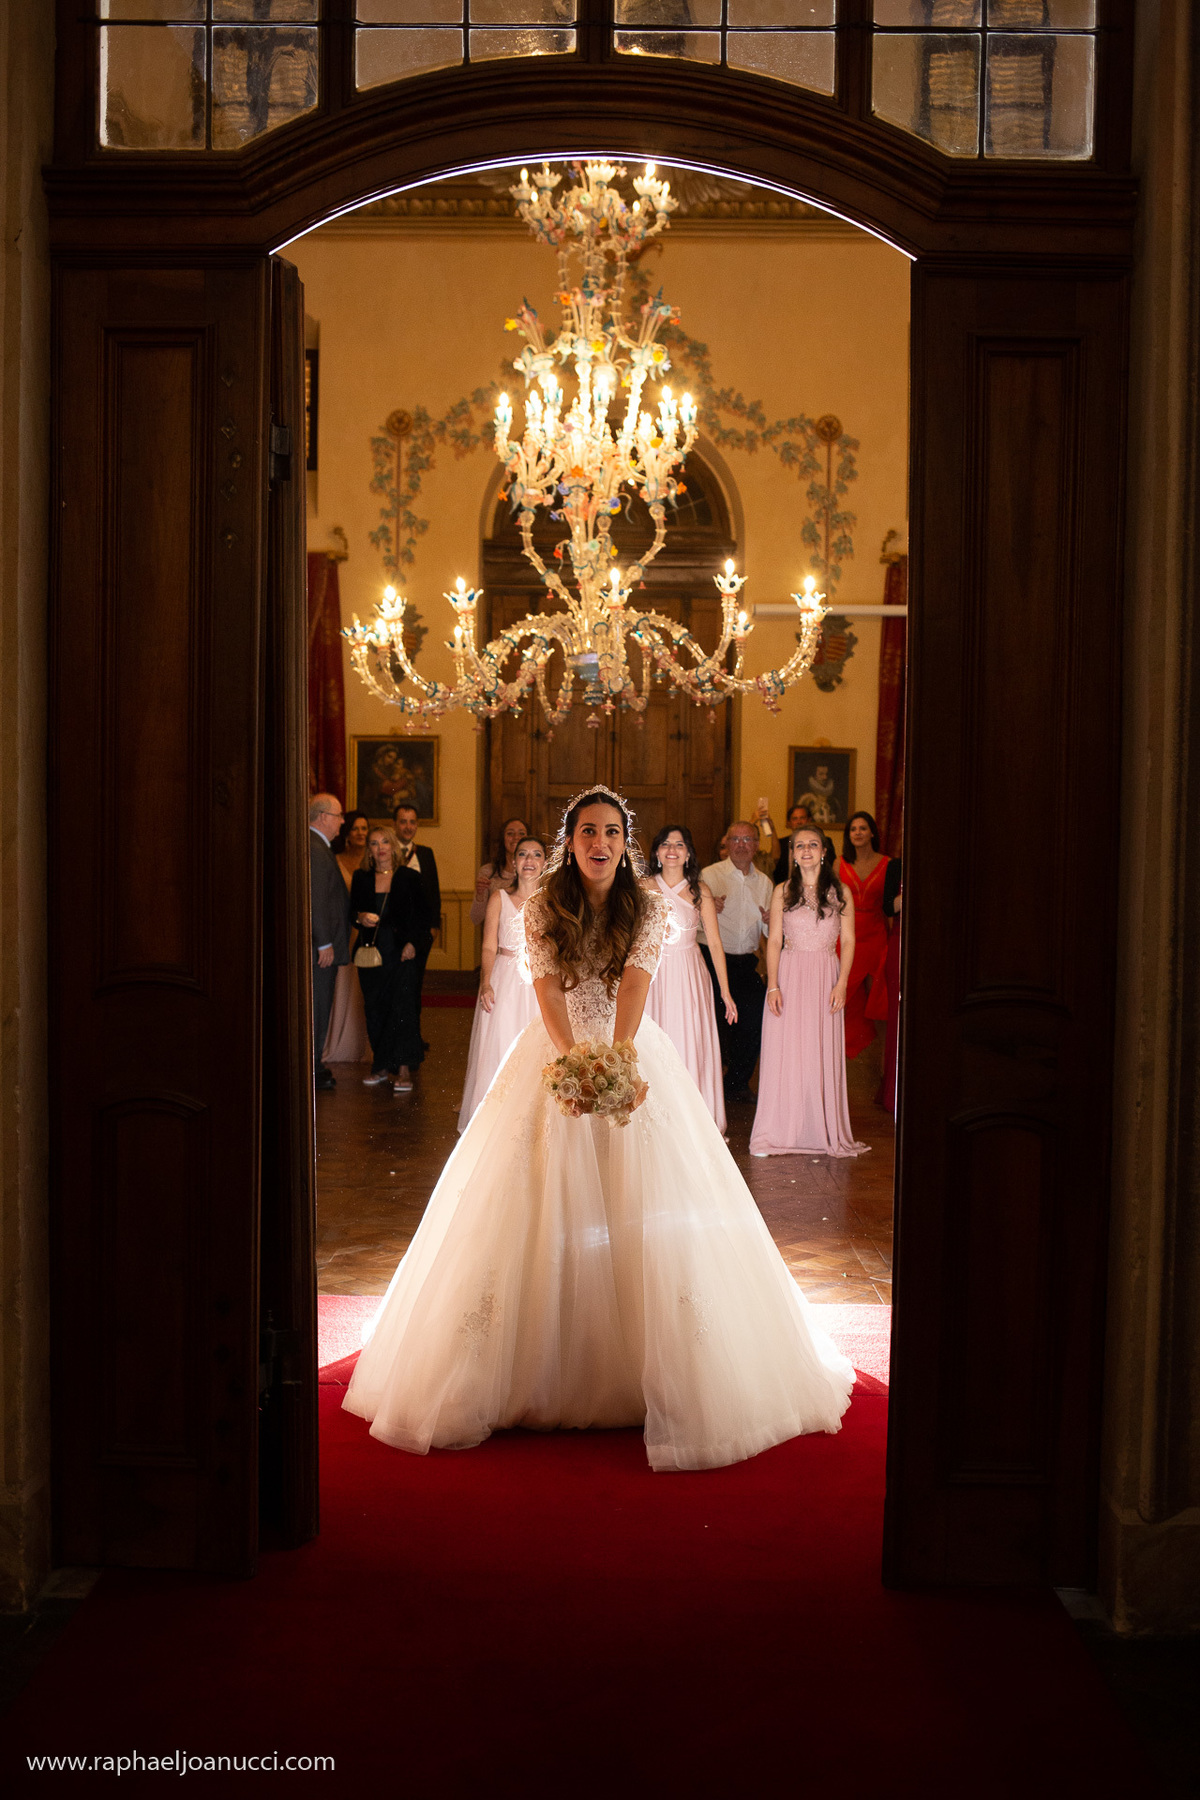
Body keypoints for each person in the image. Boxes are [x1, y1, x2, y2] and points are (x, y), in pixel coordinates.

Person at [343, 785, 854, 1472]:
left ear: (625, 840)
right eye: (588, 831)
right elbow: (547, 989)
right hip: (555, 1048)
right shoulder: (544, 905)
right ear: (570, 840)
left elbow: (636, 985)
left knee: (645, 1195)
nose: (600, 842)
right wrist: (573, 1063)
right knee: (534, 1194)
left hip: (627, 1043)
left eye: (612, 831)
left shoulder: (645, 907)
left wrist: (614, 1060)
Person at [751, 827, 869, 1159]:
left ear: (824, 851)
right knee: (787, 1050)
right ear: (792, 853)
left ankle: (818, 1129)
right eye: (799, 845)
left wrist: (842, 982)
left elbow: (849, 940)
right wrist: (773, 984)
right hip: (789, 975)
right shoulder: (782, 891)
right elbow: (774, 940)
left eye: (812, 844)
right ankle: (781, 1129)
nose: (806, 850)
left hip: (825, 975)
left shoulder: (840, 891)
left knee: (818, 1050)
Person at [643, 824, 736, 1133]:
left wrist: (725, 992)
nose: (672, 849)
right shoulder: (641, 887)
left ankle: (693, 1124)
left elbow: (716, 943)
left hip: (688, 973)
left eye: (679, 844)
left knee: (688, 1041)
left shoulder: (700, 891)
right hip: (652, 974)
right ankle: (655, 1123)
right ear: (657, 852)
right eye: (666, 844)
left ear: (688, 854)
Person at [457, 835, 546, 1130]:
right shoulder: (499, 898)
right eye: (523, 854)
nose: (529, 860)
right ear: (514, 862)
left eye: (536, 855)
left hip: (539, 981)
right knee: (503, 1043)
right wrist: (486, 983)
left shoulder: (553, 901)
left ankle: (533, 1120)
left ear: (545, 863)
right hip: (505, 979)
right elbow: (488, 946)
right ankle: (496, 1122)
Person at [351, 827, 431, 1094]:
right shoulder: (361, 877)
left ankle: (404, 1069)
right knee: (374, 1008)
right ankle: (381, 1065)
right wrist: (360, 917)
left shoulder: (409, 877)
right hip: (371, 952)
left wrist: (412, 944)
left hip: (401, 951)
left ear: (393, 846)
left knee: (402, 1008)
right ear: (369, 850)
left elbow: (424, 917)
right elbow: (352, 912)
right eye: (374, 843)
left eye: (385, 842)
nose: (380, 847)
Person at [700, 822, 773, 1105]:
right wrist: (707, 909)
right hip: (712, 960)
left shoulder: (765, 883)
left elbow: (769, 931)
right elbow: (691, 919)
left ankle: (737, 1083)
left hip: (746, 963)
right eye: (736, 839)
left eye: (747, 840)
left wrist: (771, 921)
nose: (741, 845)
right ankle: (709, 1084)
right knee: (715, 1023)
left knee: (754, 1018)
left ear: (756, 845)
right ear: (727, 843)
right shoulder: (709, 875)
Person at [837, 810, 895, 1059]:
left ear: (872, 832)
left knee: (879, 1002)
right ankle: (836, 1058)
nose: (858, 833)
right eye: (853, 829)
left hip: (875, 938)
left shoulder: (889, 864)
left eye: (862, 828)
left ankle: (884, 1062)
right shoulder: (838, 863)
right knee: (841, 998)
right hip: (845, 936)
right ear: (848, 835)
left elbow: (891, 906)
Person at [321, 811, 370, 1065]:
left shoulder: (372, 860)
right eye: (355, 828)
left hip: (366, 932)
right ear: (347, 833)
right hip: (342, 931)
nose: (361, 833)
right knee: (343, 984)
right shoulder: (335, 859)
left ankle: (363, 1044)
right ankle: (339, 1041)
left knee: (364, 988)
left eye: (364, 828)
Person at [309, 794, 350, 1092]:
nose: (342, 821)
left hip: (323, 944)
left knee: (322, 1005)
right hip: (320, 949)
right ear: (323, 816)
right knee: (319, 1006)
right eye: (338, 816)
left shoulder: (319, 847)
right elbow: (317, 900)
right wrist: (323, 943)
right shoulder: (315, 848)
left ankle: (314, 1063)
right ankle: (313, 1066)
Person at [393, 802, 441, 1049]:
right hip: (394, 934)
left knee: (415, 986)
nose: (408, 827)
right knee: (396, 988)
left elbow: (433, 891)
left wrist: (434, 926)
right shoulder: (387, 852)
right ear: (395, 824)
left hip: (421, 934)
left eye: (412, 822)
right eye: (403, 821)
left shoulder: (425, 853)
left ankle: (414, 1039)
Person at [469, 816, 529, 928]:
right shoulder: (488, 872)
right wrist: (480, 895)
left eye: (521, 834)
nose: (516, 837)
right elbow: (476, 918)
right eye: (510, 833)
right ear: (503, 839)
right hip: (497, 936)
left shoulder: (537, 872)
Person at [878, 857, 903, 1113]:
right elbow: (887, 907)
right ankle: (894, 1092)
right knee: (898, 1018)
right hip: (900, 941)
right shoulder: (896, 866)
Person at [771, 801, 815, 885]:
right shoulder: (781, 844)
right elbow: (772, 866)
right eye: (794, 819)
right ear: (789, 823)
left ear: (809, 820)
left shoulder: (820, 842)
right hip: (784, 888)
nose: (799, 822)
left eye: (802, 818)